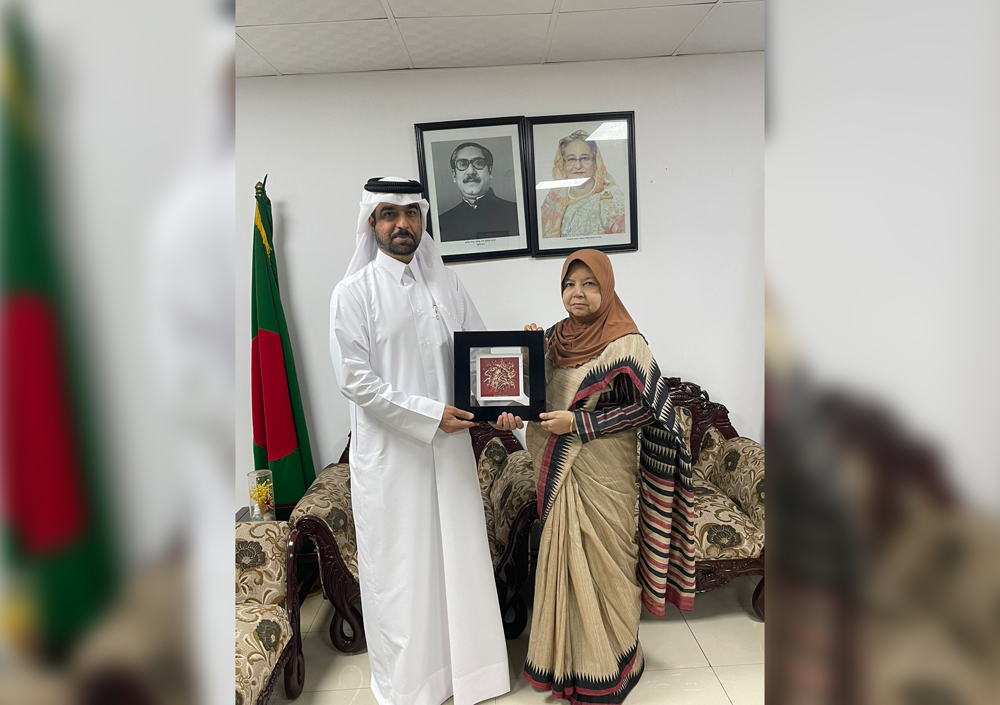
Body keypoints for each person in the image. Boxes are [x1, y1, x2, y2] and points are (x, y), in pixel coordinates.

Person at [329, 177, 511, 705]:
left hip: (451, 455)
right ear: (372, 222)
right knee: (404, 573)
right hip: (393, 461)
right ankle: (412, 688)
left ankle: (471, 677)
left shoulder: (447, 284)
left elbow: (483, 356)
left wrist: (506, 402)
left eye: (411, 213)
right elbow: (354, 379)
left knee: (460, 561)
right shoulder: (353, 293)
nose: (401, 224)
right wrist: (430, 416)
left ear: (422, 220)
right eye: (389, 213)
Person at [495, 249, 696, 703]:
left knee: (608, 564)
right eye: (569, 284)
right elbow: (529, 398)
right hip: (559, 471)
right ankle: (569, 666)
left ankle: (613, 664)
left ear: (606, 287)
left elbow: (649, 410)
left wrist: (580, 424)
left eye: (589, 284)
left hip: (605, 473)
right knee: (565, 561)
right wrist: (520, 372)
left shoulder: (627, 343)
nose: (578, 293)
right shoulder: (550, 339)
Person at [540, 130, 626, 239]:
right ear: (562, 163)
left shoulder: (613, 199)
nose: (578, 166)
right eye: (571, 159)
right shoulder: (553, 199)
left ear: (595, 161)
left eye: (584, 158)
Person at [438, 142, 520, 242]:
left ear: (490, 171)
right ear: (454, 176)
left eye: (478, 163)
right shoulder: (442, 222)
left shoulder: (516, 214)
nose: (470, 171)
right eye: (463, 164)